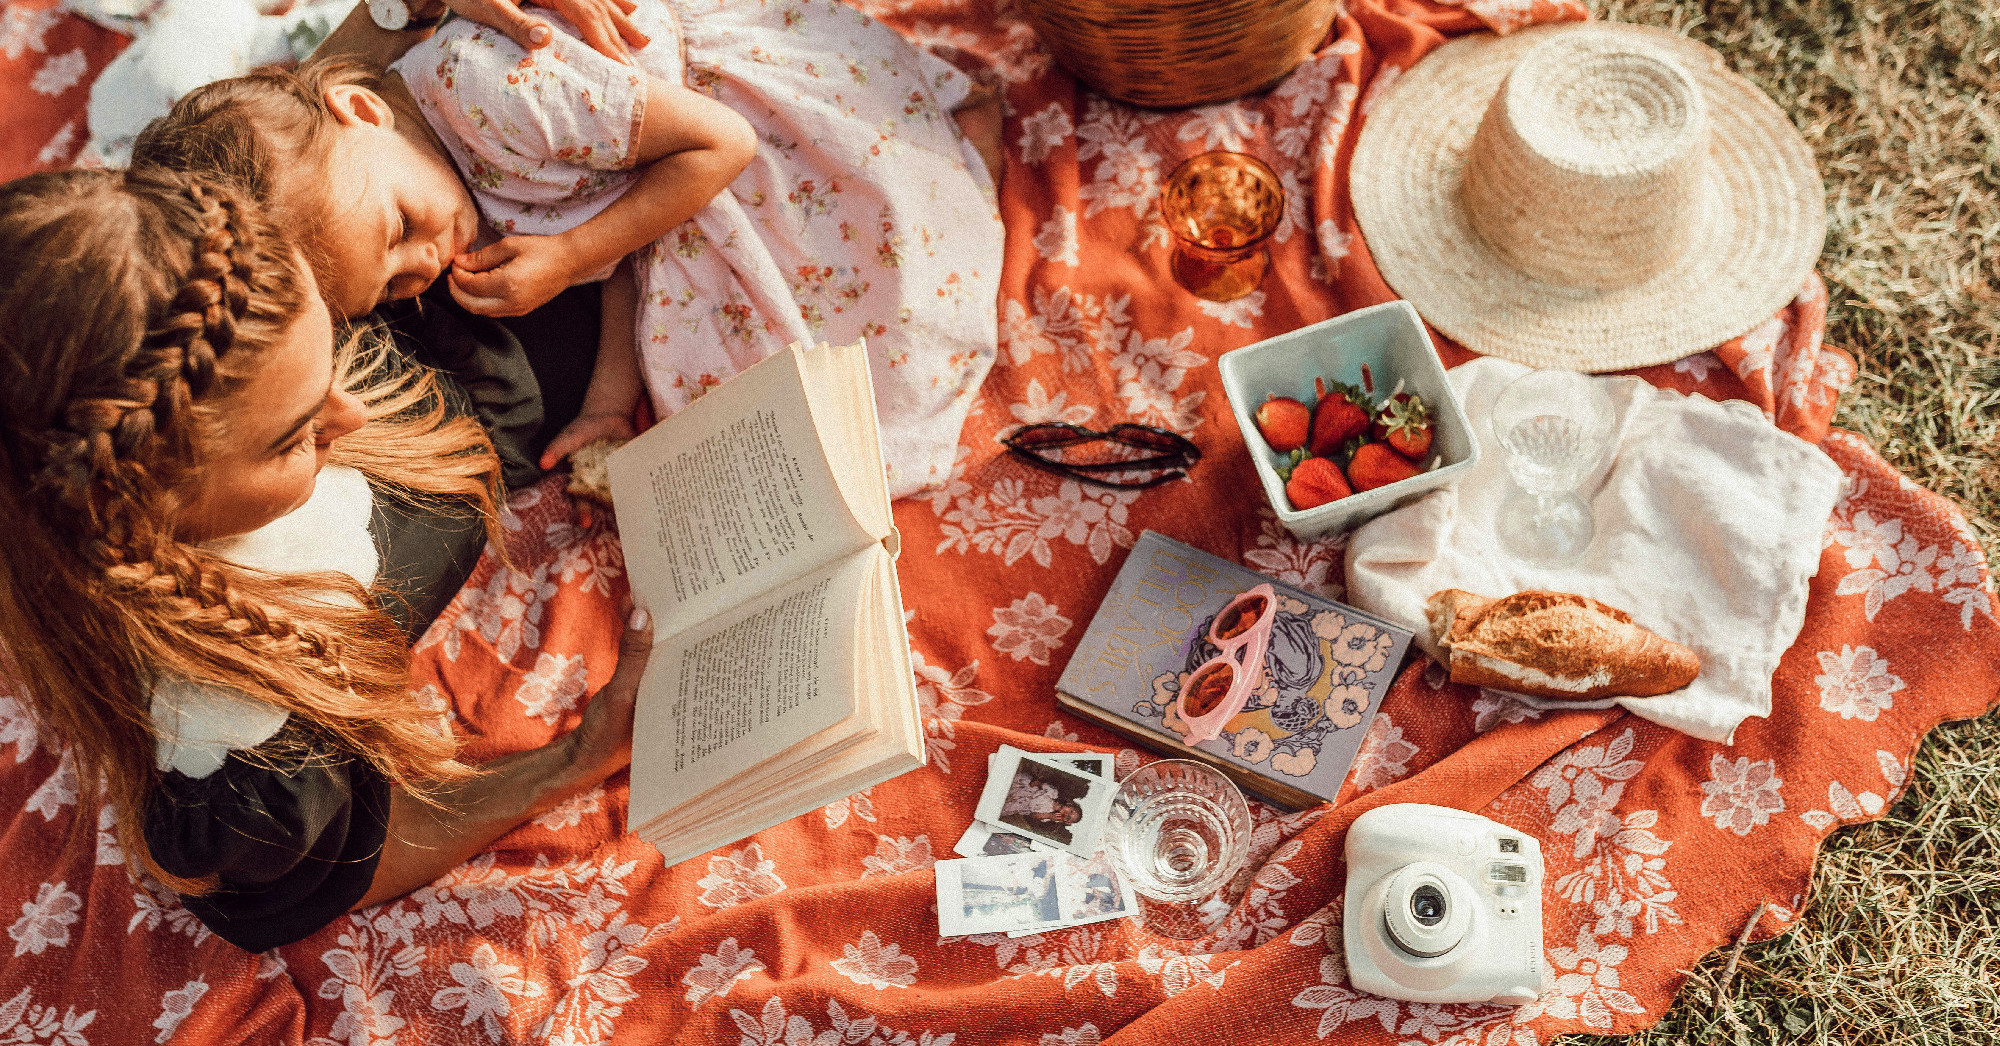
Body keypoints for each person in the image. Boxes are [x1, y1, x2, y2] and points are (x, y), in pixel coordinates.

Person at [0, 165, 653, 952]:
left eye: (332, 347)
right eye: (293, 434)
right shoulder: (239, 759)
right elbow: (350, 861)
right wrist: (579, 758)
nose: (352, 410)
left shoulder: (197, 298)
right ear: (144, 510)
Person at [133, 0, 1004, 498]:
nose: (424, 265)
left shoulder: (492, 93)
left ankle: (966, 148)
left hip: (732, 129)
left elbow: (722, 145)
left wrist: (568, 252)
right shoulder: (420, 172)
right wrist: (605, 404)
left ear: (360, 110)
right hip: (658, 174)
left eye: (400, 234)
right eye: (394, 287)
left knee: (895, 270)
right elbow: (629, 245)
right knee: (749, 398)